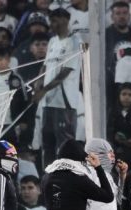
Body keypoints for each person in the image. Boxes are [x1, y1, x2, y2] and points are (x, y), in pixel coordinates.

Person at [33, 8, 83, 167]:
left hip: (65, 103)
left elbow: (65, 72)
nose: (52, 24)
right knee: (47, 144)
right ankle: (47, 178)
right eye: (51, 21)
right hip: (48, 102)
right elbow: (46, 65)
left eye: (55, 20)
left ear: (65, 20)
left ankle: (67, 177)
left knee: (65, 145)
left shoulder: (75, 41)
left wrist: (43, 90)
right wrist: (38, 81)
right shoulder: (53, 40)